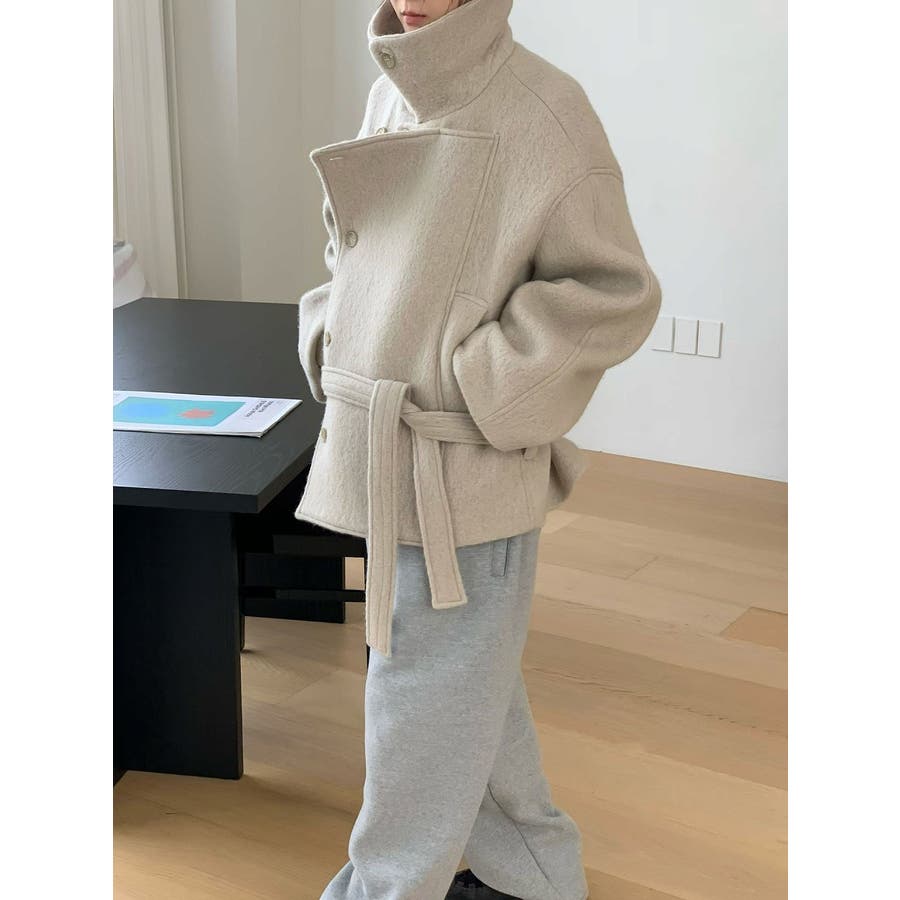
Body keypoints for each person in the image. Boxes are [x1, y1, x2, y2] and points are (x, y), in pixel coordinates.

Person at [295, 1, 662, 897]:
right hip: (389, 458)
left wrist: (477, 380)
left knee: (418, 712)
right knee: (461, 692)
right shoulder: (393, 92)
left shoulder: (545, 111)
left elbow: (614, 290)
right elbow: (357, 250)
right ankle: (536, 875)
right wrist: (331, 330)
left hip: (459, 472)